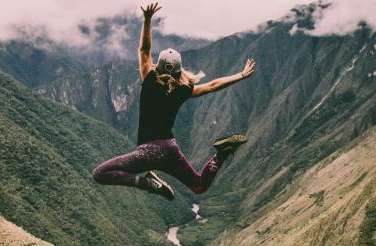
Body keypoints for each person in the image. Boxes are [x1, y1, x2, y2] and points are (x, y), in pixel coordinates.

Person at [92, 2, 256, 200]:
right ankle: (221, 153)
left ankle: (149, 184)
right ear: (180, 71)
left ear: (157, 67)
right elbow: (213, 85)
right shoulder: (183, 89)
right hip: (170, 150)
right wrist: (240, 75)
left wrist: (147, 19)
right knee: (198, 186)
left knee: (100, 174)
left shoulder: (150, 79)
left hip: (148, 153)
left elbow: (144, 49)